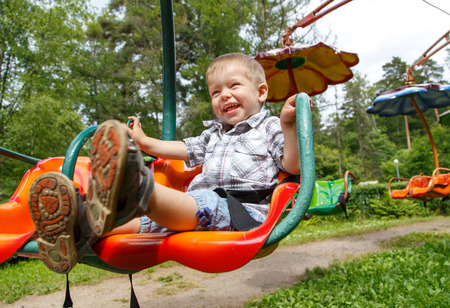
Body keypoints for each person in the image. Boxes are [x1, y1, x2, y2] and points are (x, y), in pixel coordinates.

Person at [28, 53, 303, 274]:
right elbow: (183, 148)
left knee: (202, 200)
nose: (224, 96)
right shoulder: (214, 134)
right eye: (215, 92)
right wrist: (145, 142)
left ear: (262, 92)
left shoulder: (270, 127)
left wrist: (289, 126)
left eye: (234, 86)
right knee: (141, 223)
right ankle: (80, 227)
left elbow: (293, 166)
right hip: (196, 207)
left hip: (242, 213)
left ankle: (134, 186)